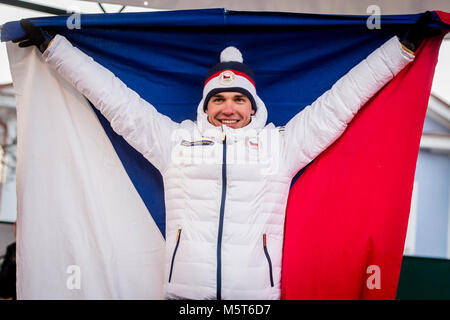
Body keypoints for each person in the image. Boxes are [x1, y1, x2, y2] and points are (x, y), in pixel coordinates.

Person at [14, 13, 431, 300]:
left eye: (237, 99)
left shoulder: (280, 147)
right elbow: (115, 101)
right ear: (205, 106)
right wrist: (55, 49)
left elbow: (340, 101)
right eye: (218, 99)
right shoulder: (174, 142)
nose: (228, 107)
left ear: (253, 108)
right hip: (185, 294)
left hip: (255, 298)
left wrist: (401, 49)